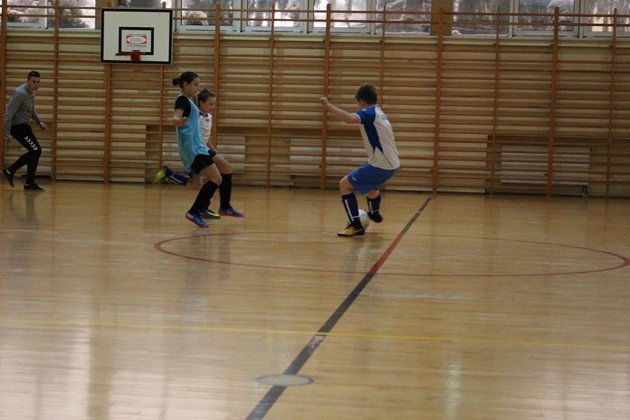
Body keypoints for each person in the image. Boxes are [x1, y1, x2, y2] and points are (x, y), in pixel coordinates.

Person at [320, 83, 400, 237]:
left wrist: (328, 106)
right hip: (392, 165)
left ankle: (356, 226)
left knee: (345, 185)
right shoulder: (379, 112)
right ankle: (374, 213)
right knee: (371, 189)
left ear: (362, 101)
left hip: (381, 166)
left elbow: (350, 119)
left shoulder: (369, 113)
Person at [166, 71, 222, 229]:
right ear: (185, 85)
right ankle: (194, 212)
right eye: (195, 84)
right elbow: (176, 116)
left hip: (194, 149)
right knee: (216, 178)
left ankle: (170, 174)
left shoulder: (189, 100)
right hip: (195, 149)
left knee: (196, 184)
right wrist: (178, 121)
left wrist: (195, 96)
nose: (197, 87)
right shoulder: (182, 100)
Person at [197, 88, 244, 218]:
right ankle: (203, 208)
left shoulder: (209, 116)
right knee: (211, 179)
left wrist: (213, 149)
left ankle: (223, 207)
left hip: (205, 149)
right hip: (197, 151)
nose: (213, 107)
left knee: (226, 170)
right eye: (210, 104)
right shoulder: (196, 117)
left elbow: (205, 137)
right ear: (201, 103)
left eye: (214, 104)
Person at [2, 70, 48, 191]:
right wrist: (6, 132)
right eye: (34, 82)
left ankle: (26, 181)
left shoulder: (32, 92)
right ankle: (12, 171)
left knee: (35, 151)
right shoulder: (19, 93)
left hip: (24, 126)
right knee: (36, 151)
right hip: (17, 127)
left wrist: (39, 121)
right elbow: (8, 113)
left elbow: (31, 110)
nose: (36, 84)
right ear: (27, 81)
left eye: (38, 82)